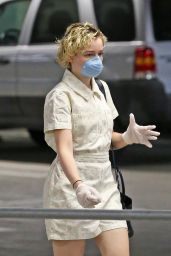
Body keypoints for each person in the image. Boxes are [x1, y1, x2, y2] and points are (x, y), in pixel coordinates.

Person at [43, 22, 160, 256]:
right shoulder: (60, 96)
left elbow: (108, 140)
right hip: (70, 187)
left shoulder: (103, 89)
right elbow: (65, 149)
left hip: (106, 185)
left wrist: (127, 137)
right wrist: (78, 185)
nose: (97, 59)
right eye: (89, 54)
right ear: (70, 55)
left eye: (100, 53)